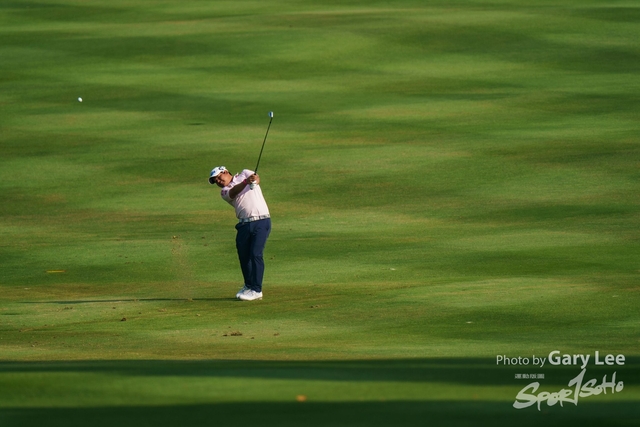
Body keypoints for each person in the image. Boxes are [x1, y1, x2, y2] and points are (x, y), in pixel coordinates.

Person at [209, 166, 271, 301]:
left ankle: (256, 290)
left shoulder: (245, 173)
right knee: (244, 256)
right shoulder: (224, 192)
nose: (218, 181)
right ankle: (248, 285)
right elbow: (233, 192)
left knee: (255, 254)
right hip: (244, 224)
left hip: (261, 221)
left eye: (218, 177)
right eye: (215, 181)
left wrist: (253, 180)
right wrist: (246, 182)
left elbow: (256, 178)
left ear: (225, 172)